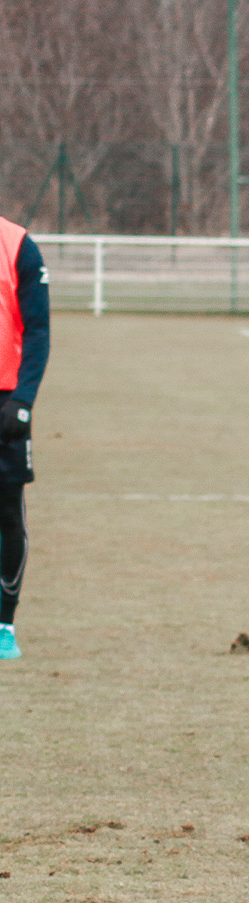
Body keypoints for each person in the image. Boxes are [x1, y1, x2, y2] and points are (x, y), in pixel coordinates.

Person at [0, 214, 48, 661]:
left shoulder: (18, 245)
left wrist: (24, 399)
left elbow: (38, 330)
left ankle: (4, 624)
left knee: (7, 514)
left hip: (5, 401)